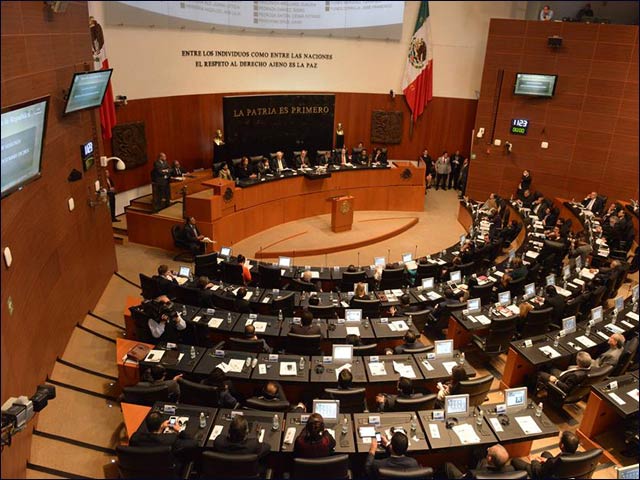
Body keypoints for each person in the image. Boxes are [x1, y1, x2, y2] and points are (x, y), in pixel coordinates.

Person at [129, 410, 198, 471]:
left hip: (144, 470)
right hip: (168, 472)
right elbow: (194, 443)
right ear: (161, 425)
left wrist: (161, 428)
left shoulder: (135, 437)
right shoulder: (171, 440)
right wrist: (179, 430)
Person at [512, 430, 580, 479]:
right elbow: (554, 462)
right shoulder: (578, 455)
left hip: (542, 475)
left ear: (562, 445)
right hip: (560, 472)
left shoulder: (552, 462)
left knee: (515, 461)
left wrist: (534, 461)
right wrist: (547, 460)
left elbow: (538, 472)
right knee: (545, 453)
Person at [445, 444, 514, 478]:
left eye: (488, 450)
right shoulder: (511, 469)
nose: (488, 449)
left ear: (489, 458)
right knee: (482, 460)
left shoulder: (473, 474)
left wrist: (464, 475)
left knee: (448, 465)